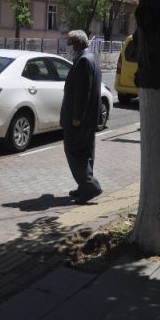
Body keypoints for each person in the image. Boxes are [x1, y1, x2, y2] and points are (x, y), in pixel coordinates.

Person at [61, 30, 103, 204]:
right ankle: (83, 186)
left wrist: (77, 117)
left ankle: (90, 186)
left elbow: (82, 92)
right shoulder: (90, 57)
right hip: (88, 118)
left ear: (79, 43)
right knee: (85, 152)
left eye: (70, 43)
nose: (69, 47)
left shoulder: (84, 60)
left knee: (74, 151)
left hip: (79, 120)